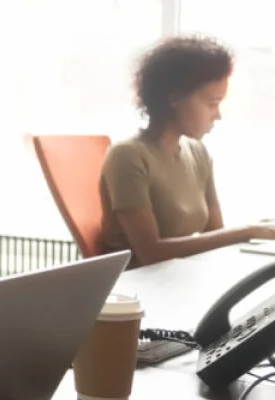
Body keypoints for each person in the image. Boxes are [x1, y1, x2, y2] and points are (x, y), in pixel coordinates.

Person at [100, 35, 275, 267]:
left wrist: (257, 230)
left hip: (183, 280)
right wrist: (248, 231)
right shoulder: (128, 156)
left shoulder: (198, 152)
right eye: (212, 104)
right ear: (174, 97)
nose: (218, 115)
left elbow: (216, 235)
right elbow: (151, 253)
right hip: (138, 290)